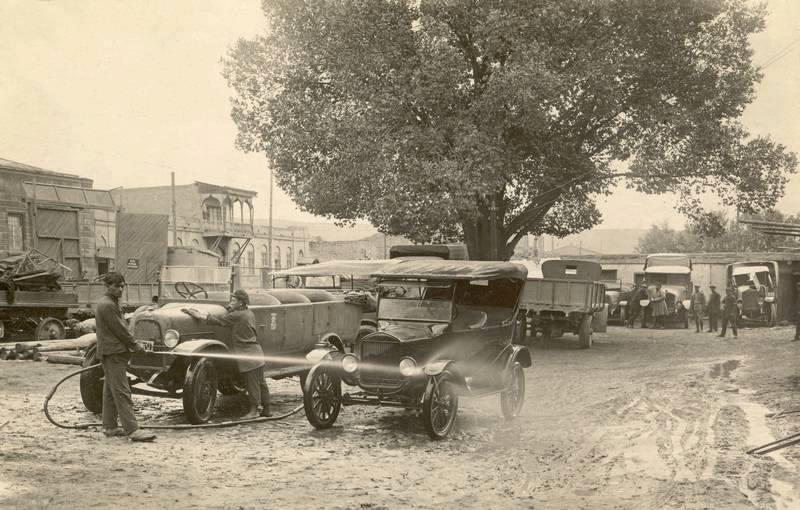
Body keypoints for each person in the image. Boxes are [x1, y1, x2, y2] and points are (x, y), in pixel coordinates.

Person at [184, 289, 271, 419]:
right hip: (256, 352)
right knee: (261, 382)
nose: (231, 302)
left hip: (247, 354)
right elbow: (231, 314)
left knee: (252, 383)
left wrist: (197, 315)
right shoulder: (248, 312)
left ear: (241, 303)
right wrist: (230, 307)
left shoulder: (237, 316)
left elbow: (218, 320)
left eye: (233, 300)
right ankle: (267, 409)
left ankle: (254, 411)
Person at [95, 272, 155, 441]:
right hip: (114, 353)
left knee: (110, 390)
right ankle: (132, 430)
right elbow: (120, 330)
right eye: (117, 286)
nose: (121, 289)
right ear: (107, 286)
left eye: (122, 286)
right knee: (122, 391)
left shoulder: (110, 303)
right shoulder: (108, 305)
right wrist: (136, 346)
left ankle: (110, 427)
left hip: (111, 352)